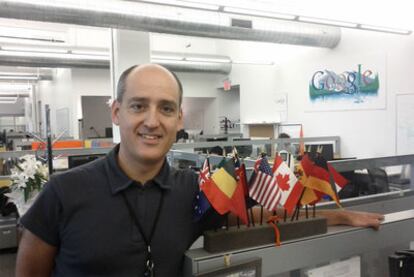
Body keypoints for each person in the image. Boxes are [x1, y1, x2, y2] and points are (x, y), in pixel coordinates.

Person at [16, 64, 384, 276]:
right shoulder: (63, 193)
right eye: (138, 106)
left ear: (179, 119)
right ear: (116, 112)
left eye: (165, 108)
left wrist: (338, 215)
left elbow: (257, 214)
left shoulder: (195, 190)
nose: (151, 121)